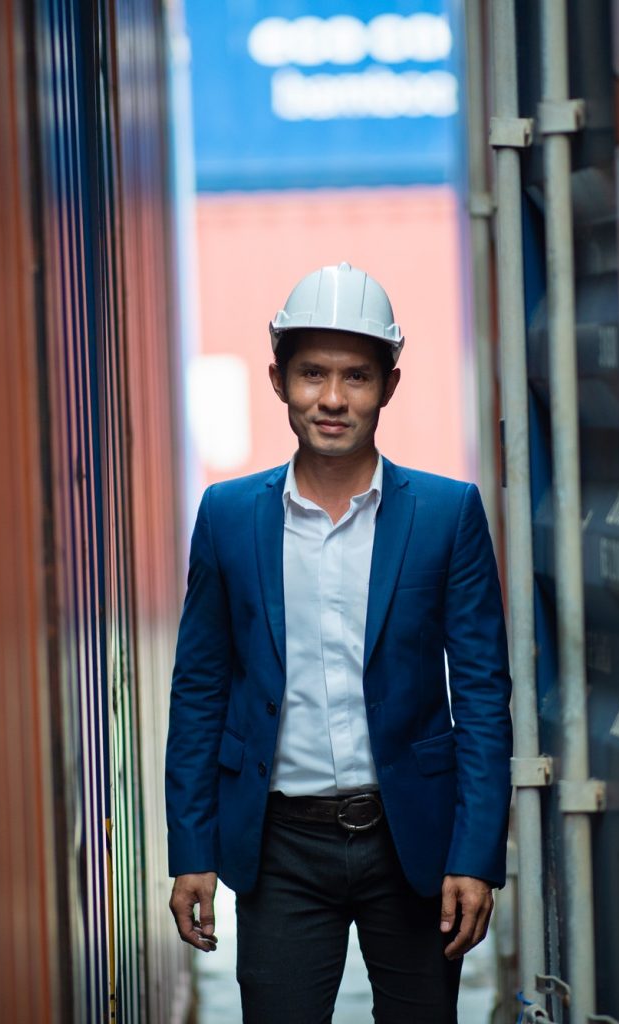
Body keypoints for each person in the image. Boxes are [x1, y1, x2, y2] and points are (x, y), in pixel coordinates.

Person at [166, 263, 512, 1023]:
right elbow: (198, 687)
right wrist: (191, 849)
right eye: (312, 373)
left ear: (389, 384)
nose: (331, 398)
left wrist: (476, 853)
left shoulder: (446, 515)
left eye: (356, 375)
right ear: (278, 379)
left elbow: (484, 694)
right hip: (281, 846)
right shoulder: (227, 517)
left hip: (411, 841)